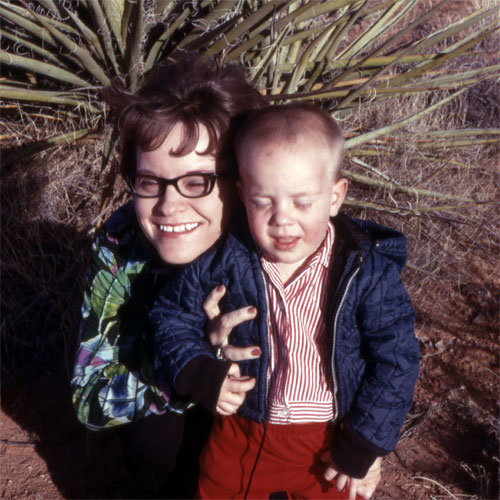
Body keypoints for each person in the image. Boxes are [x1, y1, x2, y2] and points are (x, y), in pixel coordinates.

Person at [150, 103, 420, 499]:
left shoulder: (366, 272)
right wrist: (199, 371)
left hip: (331, 439)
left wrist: (365, 441)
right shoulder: (229, 257)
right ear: (243, 195)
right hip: (242, 429)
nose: (282, 219)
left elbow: (397, 357)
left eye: (302, 202)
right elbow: (171, 313)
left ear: (335, 196)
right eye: (264, 202)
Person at [71, 52, 266, 498]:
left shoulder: (278, 240)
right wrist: (192, 367)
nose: (168, 206)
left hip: (276, 433)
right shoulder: (122, 242)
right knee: (156, 438)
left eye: (197, 181)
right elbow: (90, 398)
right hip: (181, 414)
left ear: (242, 180)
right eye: (149, 181)